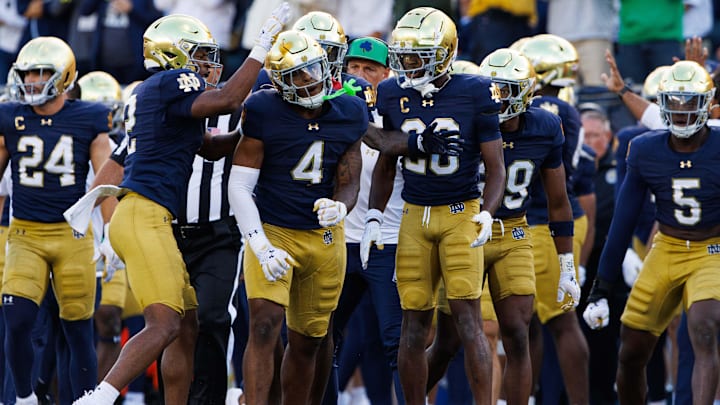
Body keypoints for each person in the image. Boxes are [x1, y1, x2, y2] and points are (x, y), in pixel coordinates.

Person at [71, 5, 291, 404]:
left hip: (143, 216)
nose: (208, 64)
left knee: (187, 324)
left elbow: (209, 148)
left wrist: (256, 137)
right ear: (174, 55)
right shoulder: (172, 81)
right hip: (146, 216)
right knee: (164, 324)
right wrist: (260, 46)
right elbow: (226, 99)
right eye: (200, 54)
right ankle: (98, 397)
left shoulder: (154, 96)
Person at [365, 7, 507, 405]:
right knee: (413, 325)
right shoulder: (392, 91)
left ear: (445, 52)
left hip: (461, 211)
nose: (408, 64)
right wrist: (375, 214)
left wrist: (487, 212)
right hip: (413, 215)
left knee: (468, 322)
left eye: (418, 56)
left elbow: (496, 167)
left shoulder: (476, 90)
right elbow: (386, 161)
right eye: (405, 55)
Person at [426, 48, 576, 405]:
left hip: (513, 231)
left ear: (526, 92)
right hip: (464, 228)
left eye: (507, 89)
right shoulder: (464, 118)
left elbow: (558, 200)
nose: (498, 98)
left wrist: (567, 265)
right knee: (447, 340)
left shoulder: (545, 125)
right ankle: (413, 399)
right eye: (492, 88)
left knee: (517, 331)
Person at [228, 29, 367, 405]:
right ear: (279, 83)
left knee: (310, 340)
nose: (311, 80)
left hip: (323, 239)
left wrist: (342, 205)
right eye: (298, 75)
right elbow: (239, 186)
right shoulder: (263, 110)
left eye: (314, 70)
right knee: (263, 326)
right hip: (274, 231)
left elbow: (350, 175)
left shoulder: (351, 109)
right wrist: (260, 246)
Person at [584, 60, 720, 404]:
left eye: (690, 102)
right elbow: (623, 219)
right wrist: (601, 287)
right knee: (630, 351)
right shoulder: (646, 149)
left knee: (704, 328)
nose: (681, 110)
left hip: (712, 249)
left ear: (708, 104)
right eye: (673, 101)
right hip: (667, 247)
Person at [0, 36, 114, 404]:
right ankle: (24, 397)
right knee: (16, 320)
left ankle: (82, 399)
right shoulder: (10, 117)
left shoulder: (90, 117)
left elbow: (107, 182)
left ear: (63, 76)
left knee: (77, 330)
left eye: (42, 72)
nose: (32, 80)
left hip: (74, 235)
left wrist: (111, 234)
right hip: (25, 233)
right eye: (28, 72)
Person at [515, 33, 590, 405]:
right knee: (532, 323)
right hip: (559, 217)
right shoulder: (565, 109)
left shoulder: (542, 110)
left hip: (544, 221)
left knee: (555, 321)